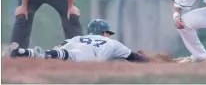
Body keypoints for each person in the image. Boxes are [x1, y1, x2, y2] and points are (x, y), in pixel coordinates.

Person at [6, 19, 149, 63]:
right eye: (108, 33)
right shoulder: (113, 43)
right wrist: (152, 61)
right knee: (73, 55)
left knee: (55, 52)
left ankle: (22, 51)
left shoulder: (78, 38)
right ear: (104, 33)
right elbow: (135, 57)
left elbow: (59, 45)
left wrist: (56, 50)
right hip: (89, 55)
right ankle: (44, 55)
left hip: (71, 51)